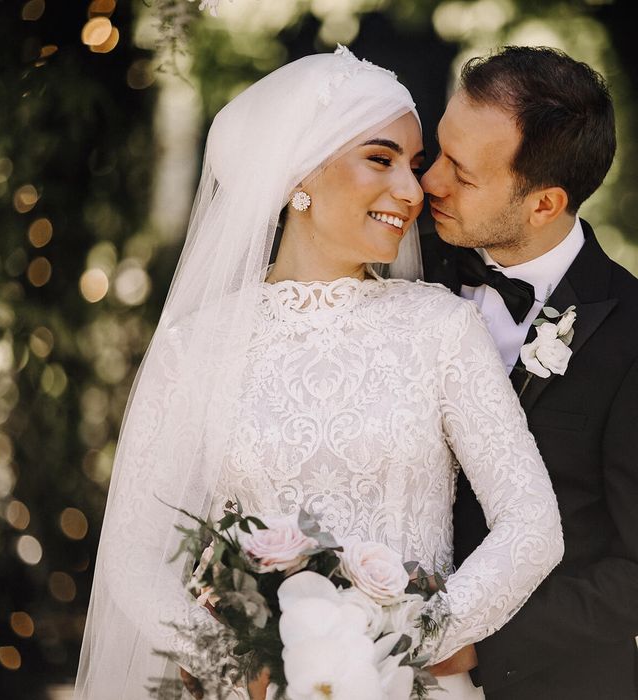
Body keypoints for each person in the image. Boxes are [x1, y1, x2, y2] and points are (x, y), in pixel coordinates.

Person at [74, 46, 563, 700]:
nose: (413, 191)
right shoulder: (198, 348)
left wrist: (405, 645)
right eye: (381, 159)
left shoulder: (441, 329)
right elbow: (133, 557)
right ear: (299, 172)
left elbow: (533, 525)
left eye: (413, 167)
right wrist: (234, 660)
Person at [421, 46, 638, 699]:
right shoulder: (402, 265)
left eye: (462, 172)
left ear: (544, 204)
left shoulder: (631, 334)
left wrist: (476, 644)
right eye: (439, 150)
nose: (429, 181)